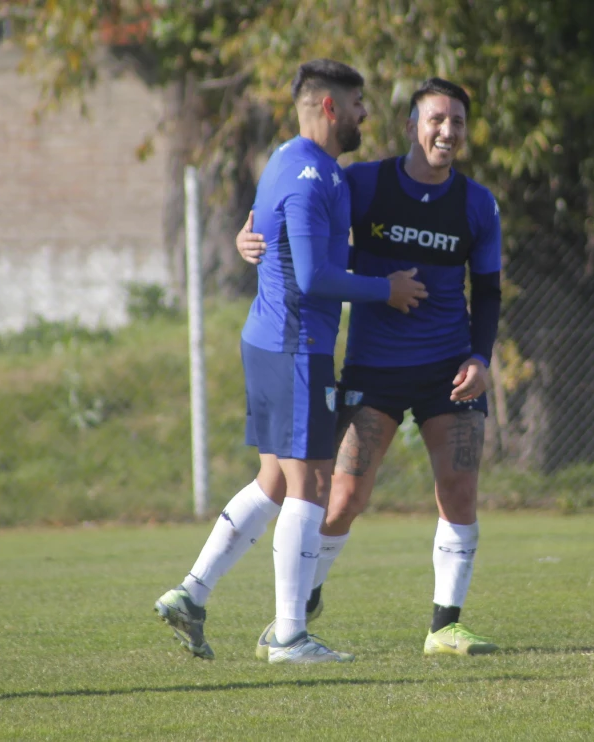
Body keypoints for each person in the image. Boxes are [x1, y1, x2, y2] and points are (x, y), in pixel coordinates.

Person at [154, 59, 427, 665]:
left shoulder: (288, 159)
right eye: (356, 103)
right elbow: (312, 276)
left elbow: (273, 237)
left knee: (274, 481)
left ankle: (191, 594)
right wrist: (386, 290)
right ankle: (289, 636)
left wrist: (248, 240)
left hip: (270, 341)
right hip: (295, 345)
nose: (364, 113)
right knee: (312, 484)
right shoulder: (309, 176)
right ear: (329, 107)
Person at [239, 78, 503, 657]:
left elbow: (487, 291)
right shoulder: (363, 183)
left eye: (458, 122)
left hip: (447, 368)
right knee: (342, 500)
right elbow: (297, 218)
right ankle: (298, 609)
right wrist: (249, 234)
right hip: (373, 367)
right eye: (436, 119)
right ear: (411, 126)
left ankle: (444, 626)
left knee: (459, 490)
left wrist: (480, 357)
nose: (448, 131)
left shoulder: (478, 204)